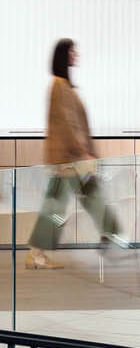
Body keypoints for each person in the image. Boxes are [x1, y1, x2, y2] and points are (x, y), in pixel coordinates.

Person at [26, 38, 125, 270]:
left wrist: (87, 152)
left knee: (86, 196)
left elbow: (75, 124)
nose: (76, 54)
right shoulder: (59, 86)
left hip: (73, 159)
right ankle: (37, 254)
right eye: (72, 51)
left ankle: (111, 234)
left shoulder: (65, 86)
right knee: (59, 206)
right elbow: (68, 125)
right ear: (64, 55)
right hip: (68, 161)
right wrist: (83, 152)